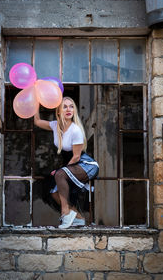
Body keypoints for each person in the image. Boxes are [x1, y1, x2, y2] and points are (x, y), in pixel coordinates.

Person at [34, 96, 99, 229]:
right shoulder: (55, 126)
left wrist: (61, 171)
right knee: (53, 191)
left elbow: (76, 157)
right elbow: (37, 121)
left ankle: (65, 213)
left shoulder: (76, 130)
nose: (68, 109)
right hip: (72, 165)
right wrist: (35, 102)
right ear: (58, 111)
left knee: (59, 175)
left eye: (71, 106)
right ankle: (78, 217)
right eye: (64, 106)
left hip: (86, 165)